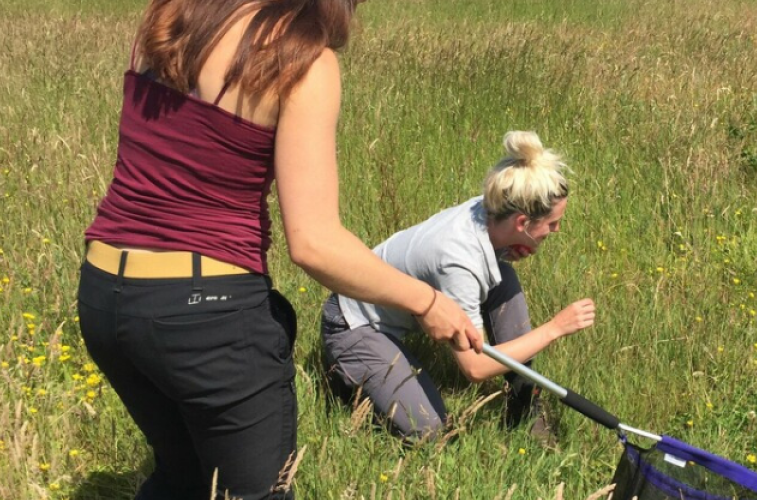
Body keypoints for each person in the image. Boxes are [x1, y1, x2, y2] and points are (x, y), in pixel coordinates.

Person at [76, 1, 482, 499]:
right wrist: (428, 301)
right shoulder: (301, 61)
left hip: (105, 298)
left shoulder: (171, 15)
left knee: (179, 480)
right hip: (207, 316)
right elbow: (314, 244)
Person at [320, 131, 596, 443]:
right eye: (552, 223)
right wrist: (555, 328)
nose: (557, 229)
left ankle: (523, 404)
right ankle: (348, 379)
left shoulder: (491, 207)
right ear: (522, 222)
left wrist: (509, 250)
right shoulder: (459, 261)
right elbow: (474, 368)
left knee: (502, 278)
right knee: (428, 429)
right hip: (353, 324)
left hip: (400, 303)